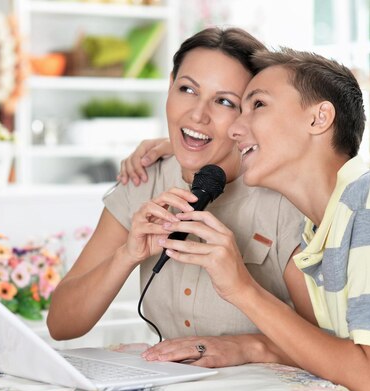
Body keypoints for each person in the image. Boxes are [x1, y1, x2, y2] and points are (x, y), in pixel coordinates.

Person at [143, 48, 370, 391]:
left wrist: (242, 287)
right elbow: (340, 352)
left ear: (319, 118)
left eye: (258, 105)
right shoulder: (320, 227)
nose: (235, 127)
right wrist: (251, 347)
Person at [47, 27, 305, 367]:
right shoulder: (143, 178)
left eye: (224, 101)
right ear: (169, 86)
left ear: (250, 113)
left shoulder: (282, 197)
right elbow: (61, 324)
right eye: (187, 90)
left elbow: (332, 342)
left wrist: (249, 347)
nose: (197, 115)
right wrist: (127, 255)